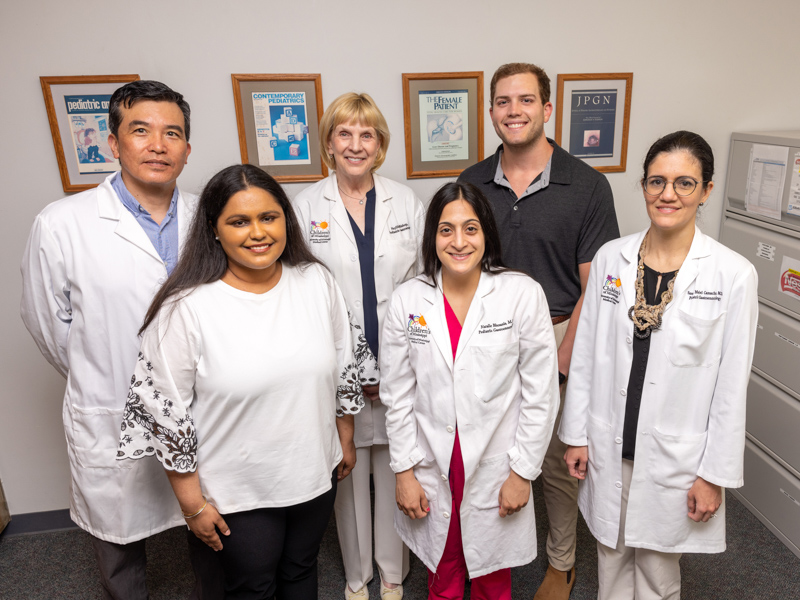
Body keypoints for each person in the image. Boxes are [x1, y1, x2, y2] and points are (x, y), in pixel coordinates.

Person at [117, 164, 364, 599]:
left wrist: (344, 437)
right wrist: (193, 504)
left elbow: (345, 366)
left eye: (268, 217)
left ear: (285, 220)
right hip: (239, 490)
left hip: (312, 471)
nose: (258, 232)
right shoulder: (186, 308)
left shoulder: (316, 282)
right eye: (238, 221)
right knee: (253, 586)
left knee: (302, 572)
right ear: (214, 230)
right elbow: (164, 413)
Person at [559, 131, 759, 599]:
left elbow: (732, 387)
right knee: (609, 554)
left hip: (677, 455)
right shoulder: (614, 258)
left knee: (655, 569)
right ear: (644, 186)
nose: (668, 194)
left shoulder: (732, 275)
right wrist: (575, 434)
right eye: (656, 181)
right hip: (610, 439)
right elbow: (587, 354)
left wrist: (714, 475)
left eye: (684, 183)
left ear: (706, 190)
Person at [21, 80, 195, 600]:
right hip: (111, 403)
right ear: (114, 143)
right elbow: (47, 323)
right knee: (118, 538)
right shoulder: (62, 223)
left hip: (200, 401)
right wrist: (102, 368)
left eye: (173, 134)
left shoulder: (209, 217)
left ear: (187, 149)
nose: (158, 145)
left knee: (211, 526)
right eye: (141, 130)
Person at [457, 62, 620, 599]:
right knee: (485, 449)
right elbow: (460, 267)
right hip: (489, 335)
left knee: (553, 463)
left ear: (547, 110)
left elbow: (595, 288)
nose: (514, 111)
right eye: (503, 102)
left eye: (526, 101)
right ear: (491, 112)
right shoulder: (471, 182)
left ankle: (562, 561)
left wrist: (565, 357)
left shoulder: (588, 186)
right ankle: (479, 555)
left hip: (557, 334)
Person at [381, 182, 560, 599]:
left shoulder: (521, 294)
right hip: (431, 461)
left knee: (491, 576)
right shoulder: (408, 300)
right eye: (446, 230)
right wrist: (404, 472)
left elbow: (540, 396)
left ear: (487, 234)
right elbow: (397, 396)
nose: (459, 242)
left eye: (471, 228)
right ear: (432, 237)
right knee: (443, 572)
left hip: (496, 462)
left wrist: (521, 474)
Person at [294, 92, 421, 600]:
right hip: (336, 363)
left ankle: (393, 573)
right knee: (346, 470)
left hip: (398, 357)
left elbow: (419, 285)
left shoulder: (406, 201)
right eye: (344, 133)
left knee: (398, 465)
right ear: (329, 142)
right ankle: (356, 577)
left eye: (366, 134)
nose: (355, 144)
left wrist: (406, 356)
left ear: (380, 144)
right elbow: (300, 291)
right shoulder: (305, 206)